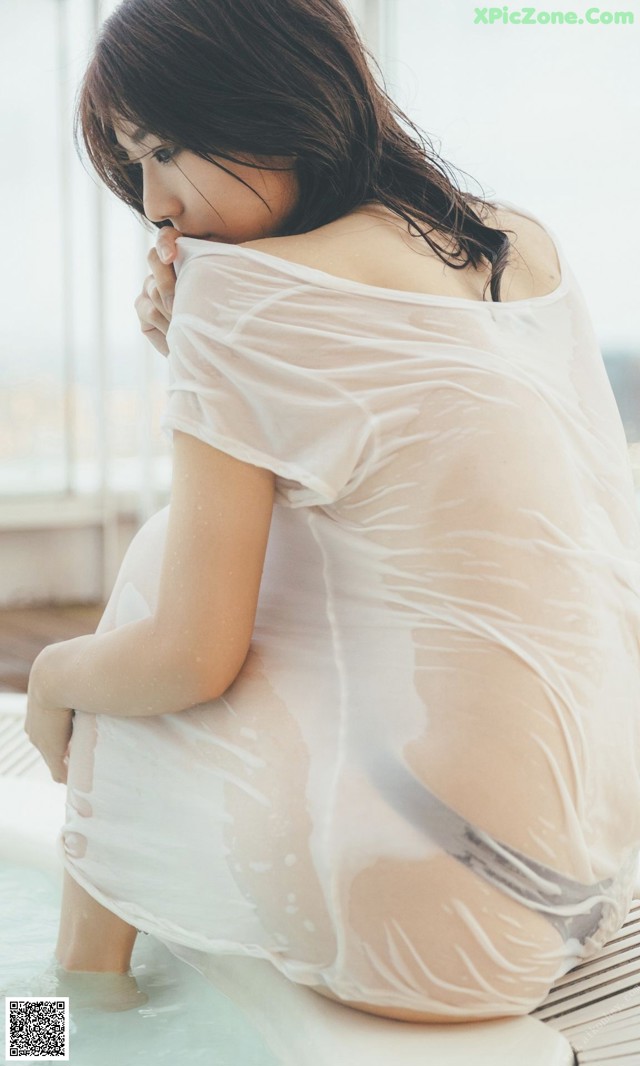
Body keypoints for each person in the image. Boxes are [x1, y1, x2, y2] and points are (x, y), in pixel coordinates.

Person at [15, 0, 640, 1025]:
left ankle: (57, 1018)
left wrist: (50, 675)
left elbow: (190, 655)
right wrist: (204, 361)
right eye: (135, 168)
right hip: (579, 889)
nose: (156, 203)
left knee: (143, 604)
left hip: (427, 930)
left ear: (266, 96)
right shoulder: (522, 241)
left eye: (166, 148)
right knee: (262, 559)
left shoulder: (244, 289)